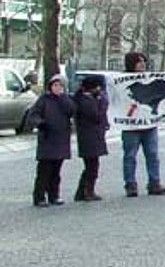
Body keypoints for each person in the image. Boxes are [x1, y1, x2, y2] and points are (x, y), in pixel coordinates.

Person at [121, 51, 165, 197]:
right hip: (131, 125)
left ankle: (154, 182)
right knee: (130, 155)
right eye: (138, 61)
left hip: (149, 124)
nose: (142, 64)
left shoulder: (148, 79)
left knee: (153, 154)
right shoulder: (122, 81)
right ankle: (130, 184)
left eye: (143, 61)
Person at [28, 74, 75, 207]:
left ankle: (54, 195)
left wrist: (62, 98)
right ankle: (39, 196)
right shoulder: (44, 100)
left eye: (60, 85)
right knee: (44, 171)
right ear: (50, 86)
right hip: (47, 139)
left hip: (61, 139)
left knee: (56, 171)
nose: (57, 88)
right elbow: (33, 115)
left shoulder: (66, 99)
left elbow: (71, 110)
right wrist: (40, 123)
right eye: (55, 85)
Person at [72, 75, 109, 202]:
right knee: (92, 167)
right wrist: (102, 103)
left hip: (90, 137)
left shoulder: (85, 99)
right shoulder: (86, 101)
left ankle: (82, 191)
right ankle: (88, 191)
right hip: (90, 137)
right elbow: (97, 116)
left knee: (91, 166)